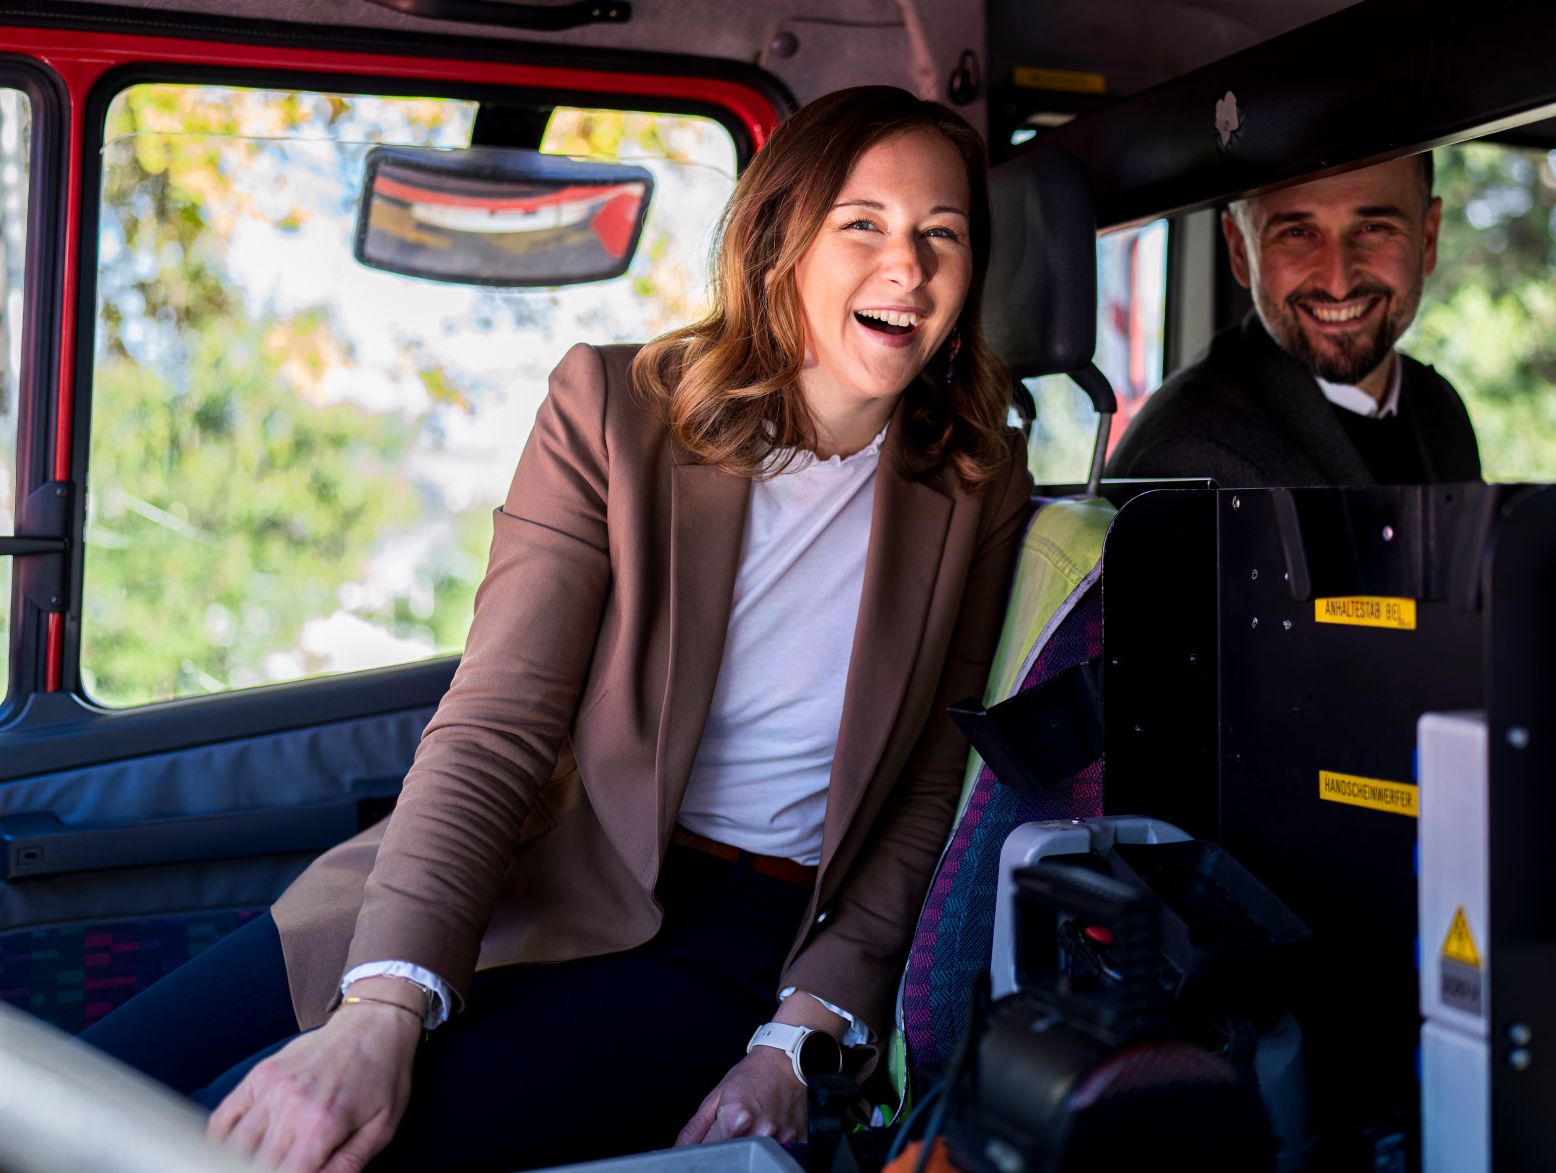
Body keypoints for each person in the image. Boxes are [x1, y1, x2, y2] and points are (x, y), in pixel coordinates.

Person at [81, 85, 1032, 1173]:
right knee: (91, 1101)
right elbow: (496, 722)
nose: (906, 268)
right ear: (779, 243)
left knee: (253, 1153)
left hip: (728, 942)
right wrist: (382, 1005)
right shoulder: (612, 409)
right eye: (861, 223)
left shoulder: (977, 485)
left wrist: (798, 1037)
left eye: (940, 235)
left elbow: (924, 797)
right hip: (527, 863)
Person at [1106, 155, 1481, 487]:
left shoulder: (1441, 409)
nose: (1338, 283)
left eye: (1373, 228)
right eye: (1297, 233)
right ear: (1240, 251)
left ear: (1428, 239)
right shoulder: (1187, 456)